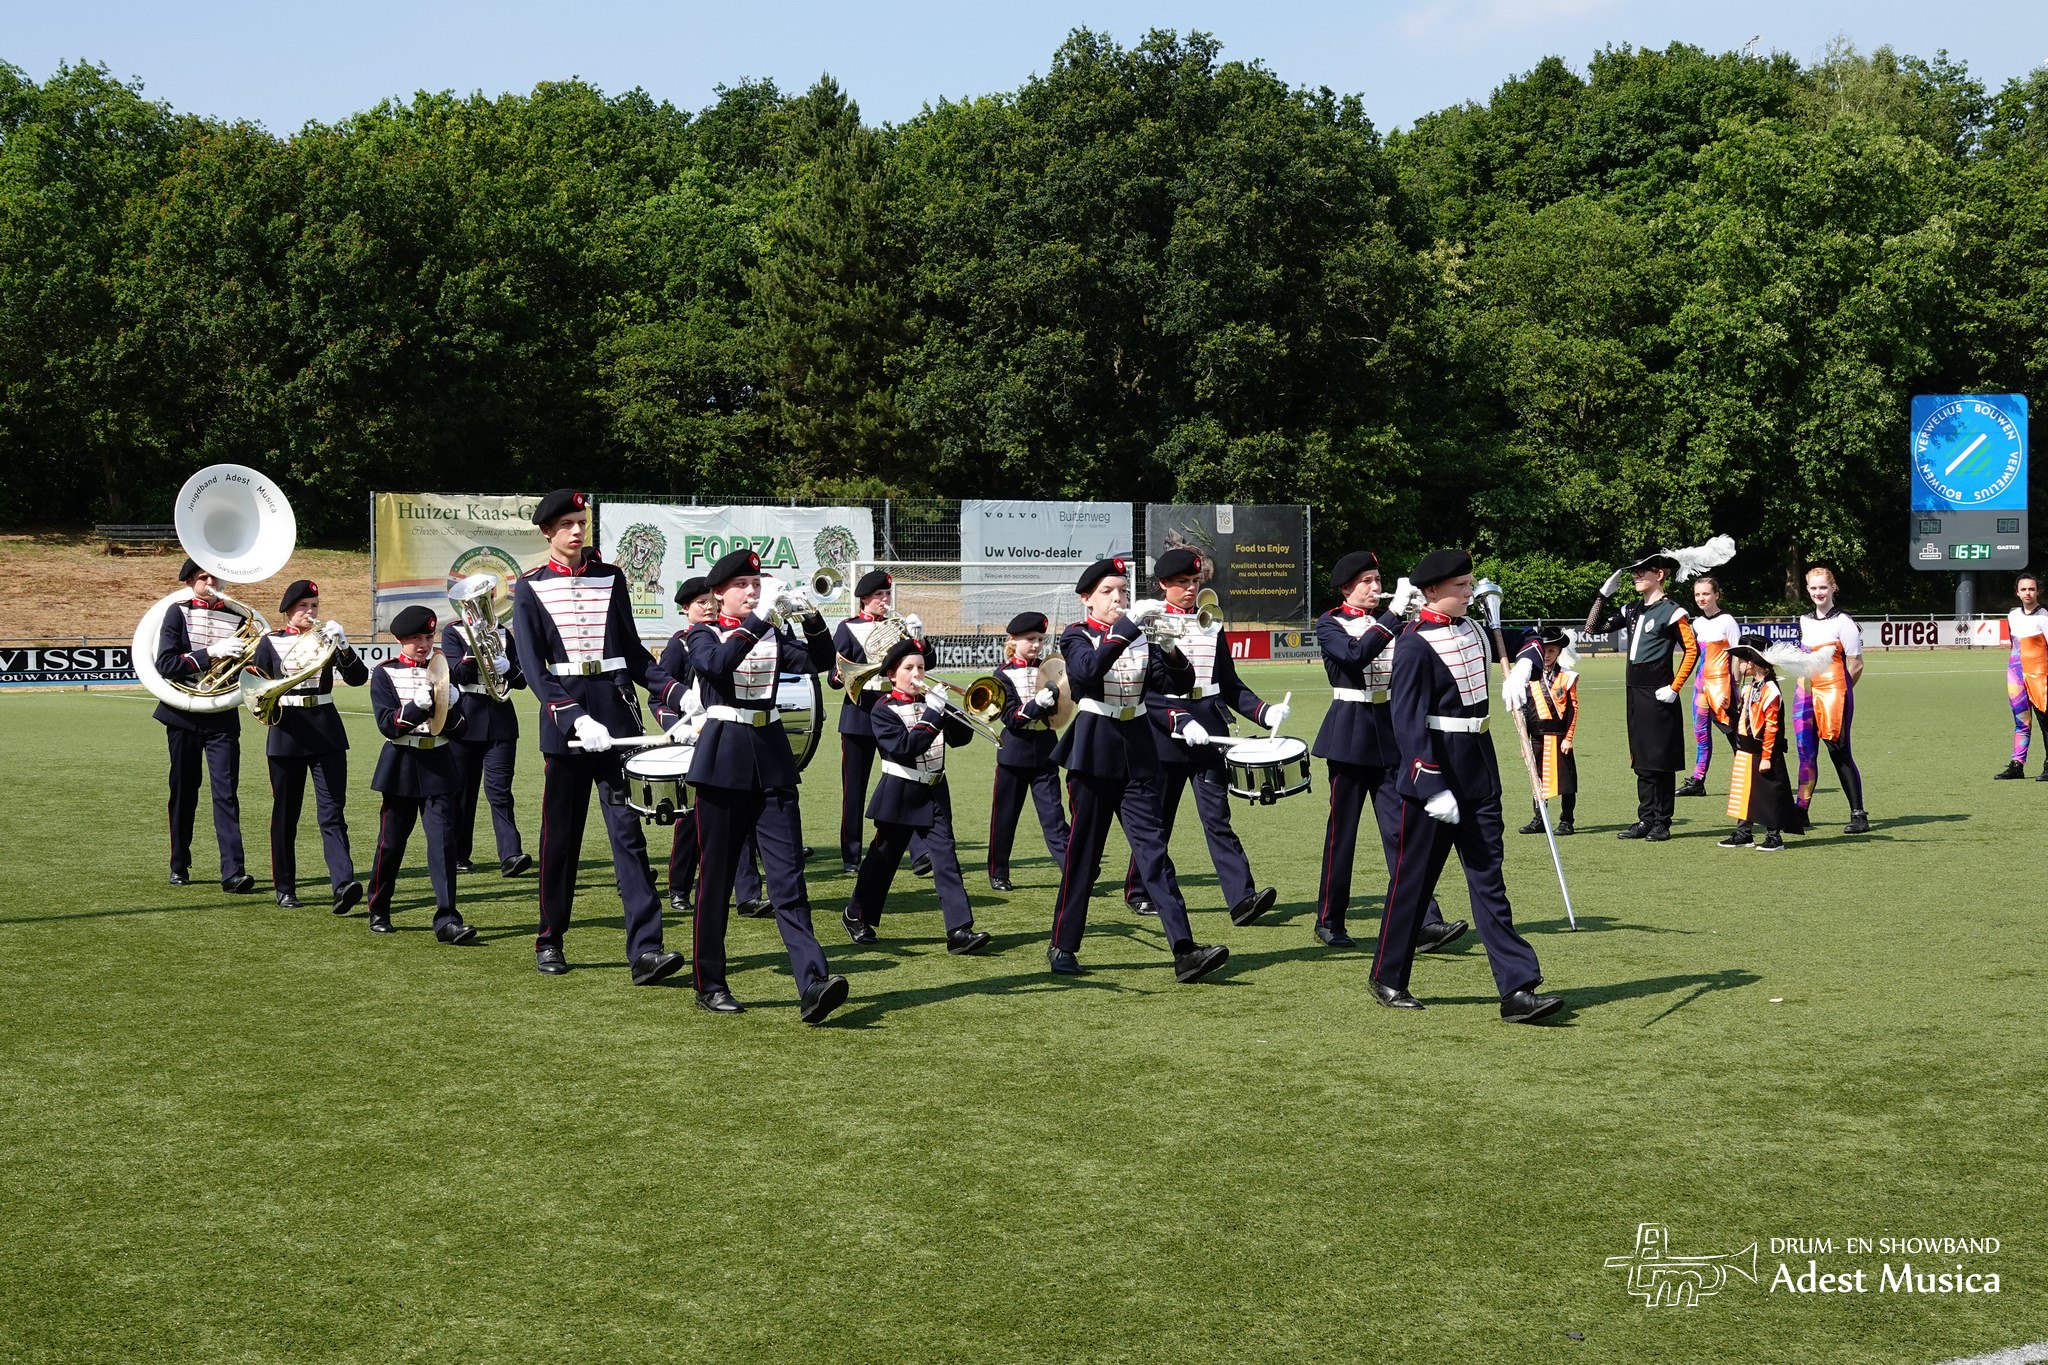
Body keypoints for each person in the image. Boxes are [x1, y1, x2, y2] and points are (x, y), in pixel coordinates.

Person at [509, 489, 691, 985]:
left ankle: (646, 950)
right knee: (560, 841)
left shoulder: (612, 578)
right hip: (567, 732)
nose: (576, 531)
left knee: (629, 839)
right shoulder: (528, 588)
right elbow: (533, 668)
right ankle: (550, 939)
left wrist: (678, 692)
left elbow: (632, 653)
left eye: (581, 522)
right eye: (566, 523)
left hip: (618, 724)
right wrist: (573, 717)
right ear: (547, 531)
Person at [1372, 549, 1561, 1023]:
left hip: (1479, 768)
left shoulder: (1479, 628)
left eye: (1470, 583)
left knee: (1489, 881)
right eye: (1460, 586)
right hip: (1434, 773)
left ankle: (1517, 989)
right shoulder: (1413, 643)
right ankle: (1388, 975)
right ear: (1432, 591)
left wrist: (1524, 665)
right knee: (1413, 883)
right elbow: (1406, 721)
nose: (1469, 592)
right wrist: (1429, 782)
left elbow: (1538, 641)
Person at [1046, 557, 1228, 984]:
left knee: (1154, 853)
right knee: (1084, 856)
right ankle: (1063, 943)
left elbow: (1177, 684)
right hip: (1093, 750)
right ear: (1086, 599)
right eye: (1108, 592)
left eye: (1122, 592)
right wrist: (1126, 628)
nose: (1118, 598)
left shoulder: (1142, 637)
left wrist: (1166, 644)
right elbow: (1087, 674)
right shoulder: (1078, 635)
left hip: (1139, 751)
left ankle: (1184, 949)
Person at [685, 548, 848, 1022]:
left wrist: (811, 615)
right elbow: (717, 666)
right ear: (719, 593)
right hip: (723, 756)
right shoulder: (702, 633)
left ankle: (813, 980)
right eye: (742, 586)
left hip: (772, 757)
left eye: (756, 585)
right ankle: (710, 983)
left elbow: (818, 660)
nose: (753, 592)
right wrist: (759, 622)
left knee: (787, 877)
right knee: (715, 879)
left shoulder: (772, 631)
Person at [1309, 549, 1468, 953]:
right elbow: (1354, 655)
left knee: (1402, 834)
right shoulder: (1330, 623)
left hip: (1392, 734)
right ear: (1347, 587)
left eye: (1378, 580)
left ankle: (1423, 920)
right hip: (1349, 736)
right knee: (1341, 835)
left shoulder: (1396, 623)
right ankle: (1329, 919)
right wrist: (1394, 616)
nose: (1376, 588)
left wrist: (1413, 616)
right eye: (1366, 581)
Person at [1123, 547, 1280, 926]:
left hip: (1209, 730)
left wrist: (1264, 711)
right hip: (1163, 732)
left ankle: (1242, 898)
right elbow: (1145, 689)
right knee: (1159, 819)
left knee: (1217, 817)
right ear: (1163, 585)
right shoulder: (1147, 625)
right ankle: (1139, 890)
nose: (1191, 589)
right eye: (1182, 583)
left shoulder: (1213, 622)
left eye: (1195, 582)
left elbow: (1228, 683)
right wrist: (1178, 720)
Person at [842, 638, 993, 954]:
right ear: (893, 675)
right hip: (900, 791)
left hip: (935, 790)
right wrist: (934, 714)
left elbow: (961, 739)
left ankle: (959, 930)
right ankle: (856, 914)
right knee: (883, 859)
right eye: (908, 668)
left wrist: (951, 709)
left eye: (921, 667)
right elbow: (904, 749)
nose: (917, 673)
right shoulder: (882, 710)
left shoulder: (932, 704)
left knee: (946, 856)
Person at [651, 576, 769, 916]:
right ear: (685, 609)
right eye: (699, 603)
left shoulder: (727, 637)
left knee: (741, 815)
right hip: (693, 735)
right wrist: (679, 728)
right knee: (690, 817)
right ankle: (678, 887)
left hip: (725, 733)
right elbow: (657, 696)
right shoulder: (680, 644)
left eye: (710, 601)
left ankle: (747, 893)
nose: (708, 607)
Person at [248, 578, 367, 912]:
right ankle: (285, 887)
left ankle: (343, 884)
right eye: (304, 607)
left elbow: (357, 678)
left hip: (326, 729)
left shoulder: (326, 639)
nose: (310, 612)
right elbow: (256, 686)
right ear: (288, 610)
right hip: (286, 730)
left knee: (332, 812)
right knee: (286, 813)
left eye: (314, 606)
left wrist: (343, 645)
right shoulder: (270, 642)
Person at [364, 606, 476, 942]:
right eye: (416, 638)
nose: (424, 644)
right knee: (391, 843)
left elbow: (460, 729)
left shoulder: (443, 672)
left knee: (443, 845)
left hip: (438, 762)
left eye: (428, 637)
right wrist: (417, 706)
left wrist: (453, 704)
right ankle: (379, 907)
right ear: (400, 639)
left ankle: (447, 919)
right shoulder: (385, 673)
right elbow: (388, 725)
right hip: (400, 762)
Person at [153, 557, 256, 893]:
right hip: (182, 712)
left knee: (226, 794)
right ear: (190, 581)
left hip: (222, 714)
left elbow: (251, 666)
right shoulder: (177, 612)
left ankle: (233, 872)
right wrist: (210, 652)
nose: (210, 581)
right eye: (202, 576)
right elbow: (166, 663)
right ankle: (179, 864)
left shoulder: (240, 617)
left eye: (215, 576)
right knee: (184, 790)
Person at [1584, 549, 1700, 841]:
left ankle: (1662, 822)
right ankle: (1646, 819)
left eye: (1642, 570)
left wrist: (1675, 687)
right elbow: (1592, 628)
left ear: (1659, 574)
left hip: (1659, 692)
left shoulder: (1673, 610)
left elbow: (1692, 649)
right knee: (1642, 760)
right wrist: (1602, 595)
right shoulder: (1632, 609)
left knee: (1661, 759)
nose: (1636, 575)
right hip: (1634, 692)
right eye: (1634, 571)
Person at [831, 570, 929, 877]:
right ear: (864, 598)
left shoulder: (899, 628)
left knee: (906, 780)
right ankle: (851, 855)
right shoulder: (848, 627)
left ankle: (919, 852)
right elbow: (835, 677)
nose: (885, 601)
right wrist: (867, 657)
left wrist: (918, 638)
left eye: (887, 595)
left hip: (894, 710)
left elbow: (925, 664)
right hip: (859, 712)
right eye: (879, 596)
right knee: (855, 789)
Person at [441, 594, 532, 878]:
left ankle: (510, 855)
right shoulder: (453, 632)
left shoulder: (505, 634)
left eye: (486, 598)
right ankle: (458, 854)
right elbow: (458, 675)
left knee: (500, 791)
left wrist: (509, 668)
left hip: (500, 718)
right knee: (462, 793)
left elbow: (522, 681)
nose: (483, 604)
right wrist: (475, 651)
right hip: (466, 718)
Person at [986, 611, 1069, 892]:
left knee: (1054, 817)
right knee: (1005, 816)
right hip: (1014, 753)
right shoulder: (1002, 674)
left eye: (1040, 639)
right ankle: (998, 872)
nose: (1036, 645)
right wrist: (1036, 704)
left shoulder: (1051, 669)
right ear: (1014, 640)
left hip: (1045, 750)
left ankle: (1071, 869)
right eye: (1030, 639)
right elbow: (1010, 717)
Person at [1793, 566, 1869, 833]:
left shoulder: (1843, 622)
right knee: (1805, 754)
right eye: (1813, 588)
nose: (1818, 592)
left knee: (1840, 754)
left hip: (1834, 693)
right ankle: (1801, 811)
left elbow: (1856, 664)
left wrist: (1840, 691)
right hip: (1804, 693)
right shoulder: (1804, 620)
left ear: (1833, 587)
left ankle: (1858, 813)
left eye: (1823, 587)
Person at [1717, 634, 1811, 851]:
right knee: (1742, 792)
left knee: (1770, 794)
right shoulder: (1750, 688)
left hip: (1764, 751)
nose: (1738, 665)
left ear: (1751, 663)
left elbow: (1772, 727)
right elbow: (1743, 717)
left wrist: (1767, 757)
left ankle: (1773, 836)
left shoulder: (1771, 691)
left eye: (1741, 661)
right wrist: (1728, 709)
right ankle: (1743, 832)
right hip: (1746, 749)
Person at [1679, 576, 1741, 798]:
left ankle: (1747, 775)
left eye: (1706, 593)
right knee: (1701, 734)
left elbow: (1737, 657)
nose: (1701, 598)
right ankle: (1698, 780)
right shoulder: (1697, 624)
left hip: (1722, 686)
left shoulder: (1728, 621)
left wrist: (1735, 688)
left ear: (1717, 595)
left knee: (1732, 733)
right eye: (1697, 594)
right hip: (1701, 688)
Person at [1517, 625, 1579, 836]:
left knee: (1567, 781)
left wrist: (1568, 738)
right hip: (1535, 737)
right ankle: (1539, 819)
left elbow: (1573, 710)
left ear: (1559, 652)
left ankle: (1567, 820)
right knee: (1537, 780)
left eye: (1551, 650)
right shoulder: (1528, 677)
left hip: (1559, 737)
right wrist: (1523, 741)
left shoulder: (1567, 677)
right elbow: (1523, 712)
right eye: (1543, 650)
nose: (1547, 655)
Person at [1994, 572, 2048, 780]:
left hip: (2039, 676)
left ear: (2039, 592)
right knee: (2021, 722)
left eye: (2032, 589)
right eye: (2024, 589)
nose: (2028, 593)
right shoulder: (2013, 615)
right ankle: (2017, 765)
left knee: (2046, 723)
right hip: (2016, 675)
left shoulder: (2044, 616)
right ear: (2017, 592)